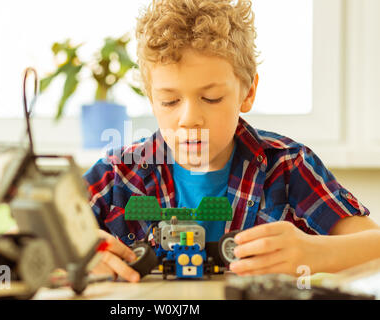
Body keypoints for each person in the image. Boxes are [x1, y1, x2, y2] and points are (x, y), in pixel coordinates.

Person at [84, 0, 380, 283]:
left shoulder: (288, 168)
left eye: (211, 98)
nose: (189, 119)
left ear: (248, 92)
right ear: (151, 99)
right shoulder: (118, 174)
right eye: (170, 101)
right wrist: (75, 254)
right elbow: (40, 238)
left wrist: (313, 253)